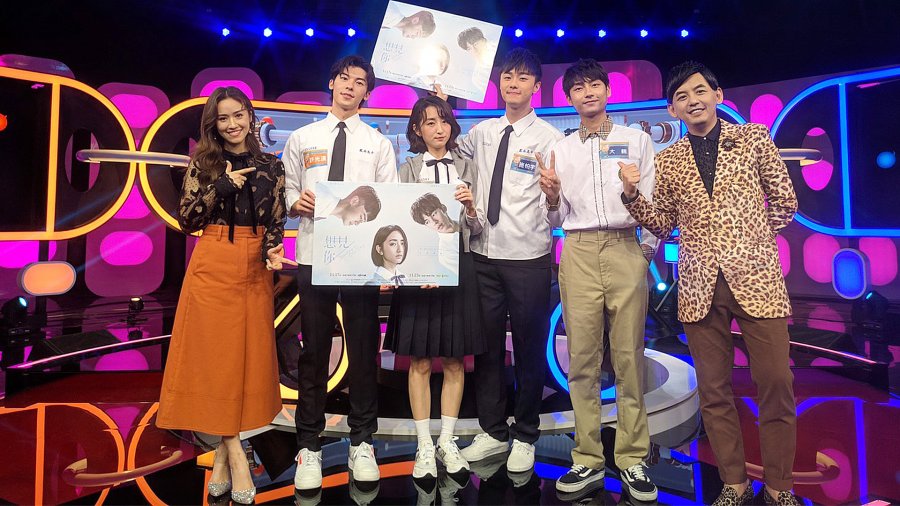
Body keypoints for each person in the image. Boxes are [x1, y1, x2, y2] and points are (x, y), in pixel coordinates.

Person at [621, 61, 799, 506]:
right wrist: (631, 196)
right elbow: (663, 224)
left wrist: (753, 242)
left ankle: (779, 486)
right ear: (672, 109)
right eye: (681, 97)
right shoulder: (669, 159)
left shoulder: (754, 137)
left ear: (718, 95)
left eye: (700, 91)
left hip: (757, 280)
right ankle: (734, 483)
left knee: (776, 382)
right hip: (699, 286)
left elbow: (785, 201)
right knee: (715, 391)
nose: (693, 101)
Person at [156, 86, 294, 505]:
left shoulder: (272, 165)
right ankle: (235, 453)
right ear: (213, 125)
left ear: (251, 117)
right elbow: (187, 220)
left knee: (245, 362)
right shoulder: (205, 163)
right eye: (223, 118)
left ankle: (219, 455)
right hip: (214, 261)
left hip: (255, 267)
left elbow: (276, 219)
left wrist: (273, 249)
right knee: (216, 360)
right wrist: (223, 186)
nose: (233, 124)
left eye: (238, 115)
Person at [537, 58, 659, 501]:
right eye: (578, 88)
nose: (587, 93)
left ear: (608, 90)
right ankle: (587, 457)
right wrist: (552, 197)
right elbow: (555, 217)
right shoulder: (562, 148)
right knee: (582, 361)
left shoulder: (637, 139)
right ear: (569, 98)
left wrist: (645, 254)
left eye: (594, 85)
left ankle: (632, 458)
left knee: (628, 358)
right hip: (579, 251)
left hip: (626, 247)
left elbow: (652, 202)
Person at [439, 48, 564, 473]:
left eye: (523, 77)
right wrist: (443, 105)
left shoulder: (550, 138)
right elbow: (447, 153)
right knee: (487, 347)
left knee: (529, 347)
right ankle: (492, 430)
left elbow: (558, 209)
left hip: (528, 255)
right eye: (507, 76)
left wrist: (553, 196)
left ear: (536, 87)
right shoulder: (483, 132)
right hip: (482, 253)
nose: (513, 83)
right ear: (498, 83)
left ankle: (526, 433)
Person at [283, 55, 398, 490]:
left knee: (365, 349)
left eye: (360, 82)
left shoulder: (378, 144)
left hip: (361, 262)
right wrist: (295, 202)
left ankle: (362, 441)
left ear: (367, 92)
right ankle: (308, 445)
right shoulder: (303, 137)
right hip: (314, 255)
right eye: (344, 79)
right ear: (331, 82)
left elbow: (389, 201)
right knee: (314, 351)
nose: (350, 86)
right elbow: (289, 189)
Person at [384, 95, 486, 480]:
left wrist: (471, 208)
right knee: (421, 360)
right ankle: (424, 444)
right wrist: (415, 266)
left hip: (458, 263)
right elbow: (397, 222)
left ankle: (447, 440)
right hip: (417, 269)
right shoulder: (407, 169)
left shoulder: (468, 167)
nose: (439, 129)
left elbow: (477, 227)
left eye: (444, 121)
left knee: (456, 359)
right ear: (417, 129)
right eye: (430, 122)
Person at [313, 184, 381, 226]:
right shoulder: (320, 197)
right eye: (361, 218)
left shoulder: (324, 211)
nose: (357, 224)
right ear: (354, 201)